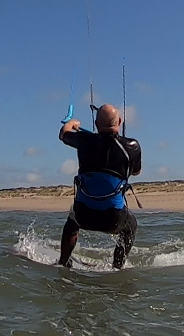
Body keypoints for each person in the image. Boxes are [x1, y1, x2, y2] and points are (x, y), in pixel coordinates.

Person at [58, 104, 142, 269]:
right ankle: (117, 267)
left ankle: (63, 262)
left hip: (84, 215)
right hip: (113, 218)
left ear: (96, 125)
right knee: (131, 226)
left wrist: (72, 123)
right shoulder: (132, 146)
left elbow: (63, 134)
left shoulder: (84, 141)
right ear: (119, 121)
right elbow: (136, 172)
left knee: (71, 223)